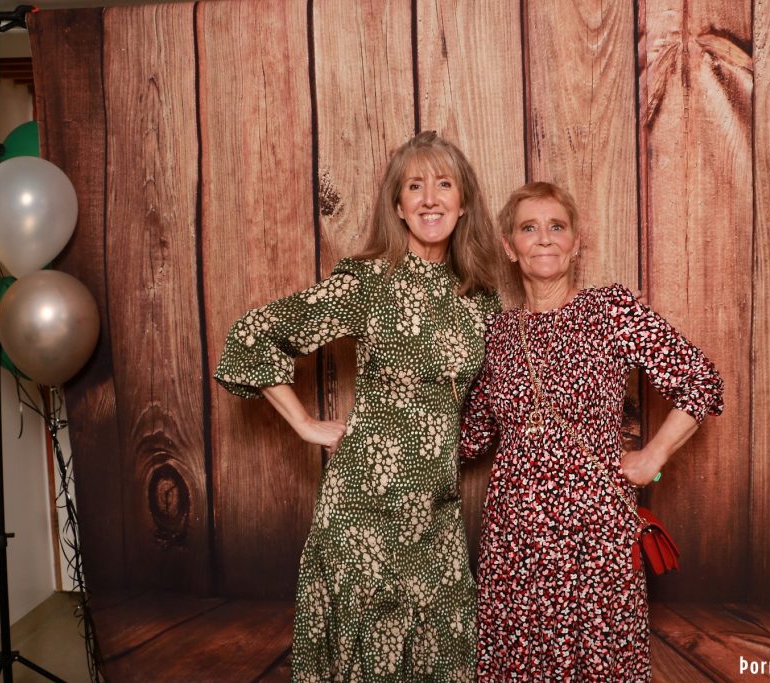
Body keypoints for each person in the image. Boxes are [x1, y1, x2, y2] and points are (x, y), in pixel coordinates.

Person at [214, 131, 501, 682]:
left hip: (436, 513)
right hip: (363, 508)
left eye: (444, 185)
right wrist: (304, 424)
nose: (430, 199)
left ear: (464, 203)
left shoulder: (479, 296)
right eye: (414, 187)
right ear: (398, 206)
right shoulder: (369, 281)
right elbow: (253, 335)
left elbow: (488, 402)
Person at [460, 181, 723, 681]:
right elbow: (470, 436)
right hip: (515, 535)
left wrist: (653, 457)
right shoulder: (497, 334)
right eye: (529, 228)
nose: (544, 238)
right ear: (509, 246)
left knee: (599, 657)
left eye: (556, 226)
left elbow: (701, 382)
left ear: (576, 242)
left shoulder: (610, 310)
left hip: (594, 527)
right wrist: (392, 426)